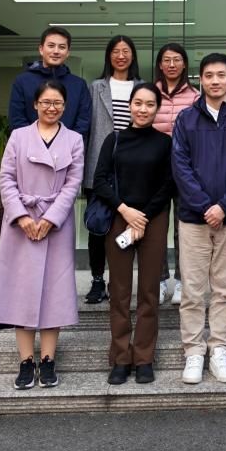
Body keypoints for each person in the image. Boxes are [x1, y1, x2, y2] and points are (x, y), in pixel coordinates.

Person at [0, 80, 83, 391]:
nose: (52, 108)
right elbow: (6, 179)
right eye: (46, 102)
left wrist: (51, 219)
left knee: (54, 291)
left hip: (57, 225)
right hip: (21, 226)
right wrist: (22, 217)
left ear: (64, 107)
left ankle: (48, 359)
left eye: (58, 103)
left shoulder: (74, 140)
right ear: (35, 105)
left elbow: (73, 184)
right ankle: (26, 361)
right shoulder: (18, 136)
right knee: (21, 291)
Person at [171, 52, 226, 385]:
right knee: (193, 291)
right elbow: (180, 166)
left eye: (221, 75)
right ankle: (194, 352)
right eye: (208, 75)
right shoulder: (186, 119)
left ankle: (218, 349)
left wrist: (223, 207)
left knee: (224, 290)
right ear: (200, 80)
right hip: (193, 219)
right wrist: (205, 205)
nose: (215, 81)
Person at [93, 83, 175, 386]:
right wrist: (125, 211)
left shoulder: (164, 143)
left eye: (149, 104)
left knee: (149, 291)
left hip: (153, 220)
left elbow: (169, 184)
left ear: (157, 109)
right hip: (119, 218)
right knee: (119, 292)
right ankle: (120, 357)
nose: (143, 109)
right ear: (129, 105)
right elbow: (100, 181)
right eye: (138, 103)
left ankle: (143, 358)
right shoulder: (113, 140)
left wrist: (143, 218)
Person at [84, 35, 142, 304]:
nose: (121, 55)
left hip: (132, 166)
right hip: (100, 163)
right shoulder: (96, 87)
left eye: (126, 51)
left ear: (133, 56)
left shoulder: (142, 87)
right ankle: (97, 280)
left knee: (128, 224)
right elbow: (87, 128)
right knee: (98, 225)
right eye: (116, 51)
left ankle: (121, 280)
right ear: (109, 55)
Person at [153, 42, 199, 307]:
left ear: (184, 64)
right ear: (160, 64)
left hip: (185, 171)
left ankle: (182, 281)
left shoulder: (195, 97)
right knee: (157, 228)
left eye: (177, 60)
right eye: (167, 60)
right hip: (155, 171)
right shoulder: (150, 92)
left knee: (185, 230)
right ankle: (159, 281)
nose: (171, 64)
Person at [8, 26, 91, 138]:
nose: (56, 51)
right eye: (51, 46)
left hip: (68, 147)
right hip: (29, 147)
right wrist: (37, 143)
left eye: (62, 47)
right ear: (41, 49)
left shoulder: (79, 85)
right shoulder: (22, 81)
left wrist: (68, 143)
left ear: (68, 52)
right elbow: (17, 119)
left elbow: (83, 122)